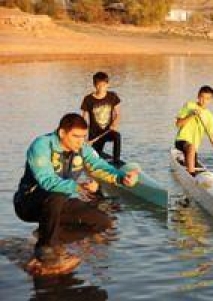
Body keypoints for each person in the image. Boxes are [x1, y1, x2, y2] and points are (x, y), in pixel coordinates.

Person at [13, 113, 138, 275]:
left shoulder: (83, 148)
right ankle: (45, 249)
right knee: (57, 192)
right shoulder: (41, 145)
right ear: (62, 133)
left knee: (104, 222)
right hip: (28, 203)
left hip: (59, 202)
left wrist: (123, 178)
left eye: (83, 137)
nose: (81, 141)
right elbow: (47, 181)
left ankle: (50, 236)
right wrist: (79, 187)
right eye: (76, 136)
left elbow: (99, 166)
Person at [175, 85, 213, 176]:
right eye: (202, 97)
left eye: (207, 99)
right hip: (181, 141)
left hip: (194, 148)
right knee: (191, 147)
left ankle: (189, 166)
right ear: (198, 96)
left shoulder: (209, 116)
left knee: (192, 150)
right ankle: (191, 175)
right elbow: (178, 124)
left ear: (211, 100)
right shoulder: (189, 106)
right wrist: (191, 115)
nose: (203, 101)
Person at [81, 72, 122, 164]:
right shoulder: (88, 99)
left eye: (104, 85)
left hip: (108, 131)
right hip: (94, 135)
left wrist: (115, 123)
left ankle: (116, 160)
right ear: (94, 85)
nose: (101, 88)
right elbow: (84, 119)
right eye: (99, 85)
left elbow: (118, 114)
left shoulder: (112, 96)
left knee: (117, 136)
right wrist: (83, 137)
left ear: (108, 85)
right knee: (96, 157)